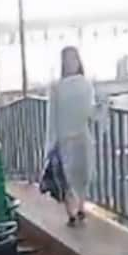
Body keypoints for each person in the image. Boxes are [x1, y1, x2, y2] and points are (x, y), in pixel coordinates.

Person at [45, 46, 100, 226]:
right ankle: (72, 213)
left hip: (82, 136)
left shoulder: (86, 84)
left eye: (74, 59)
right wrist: (52, 142)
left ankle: (81, 207)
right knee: (67, 177)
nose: (71, 63)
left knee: (83, 175)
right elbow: (52, 116)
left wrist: (103, 108)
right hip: (65, 139)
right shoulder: (56, 88)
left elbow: (90, 112)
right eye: (67, 60)